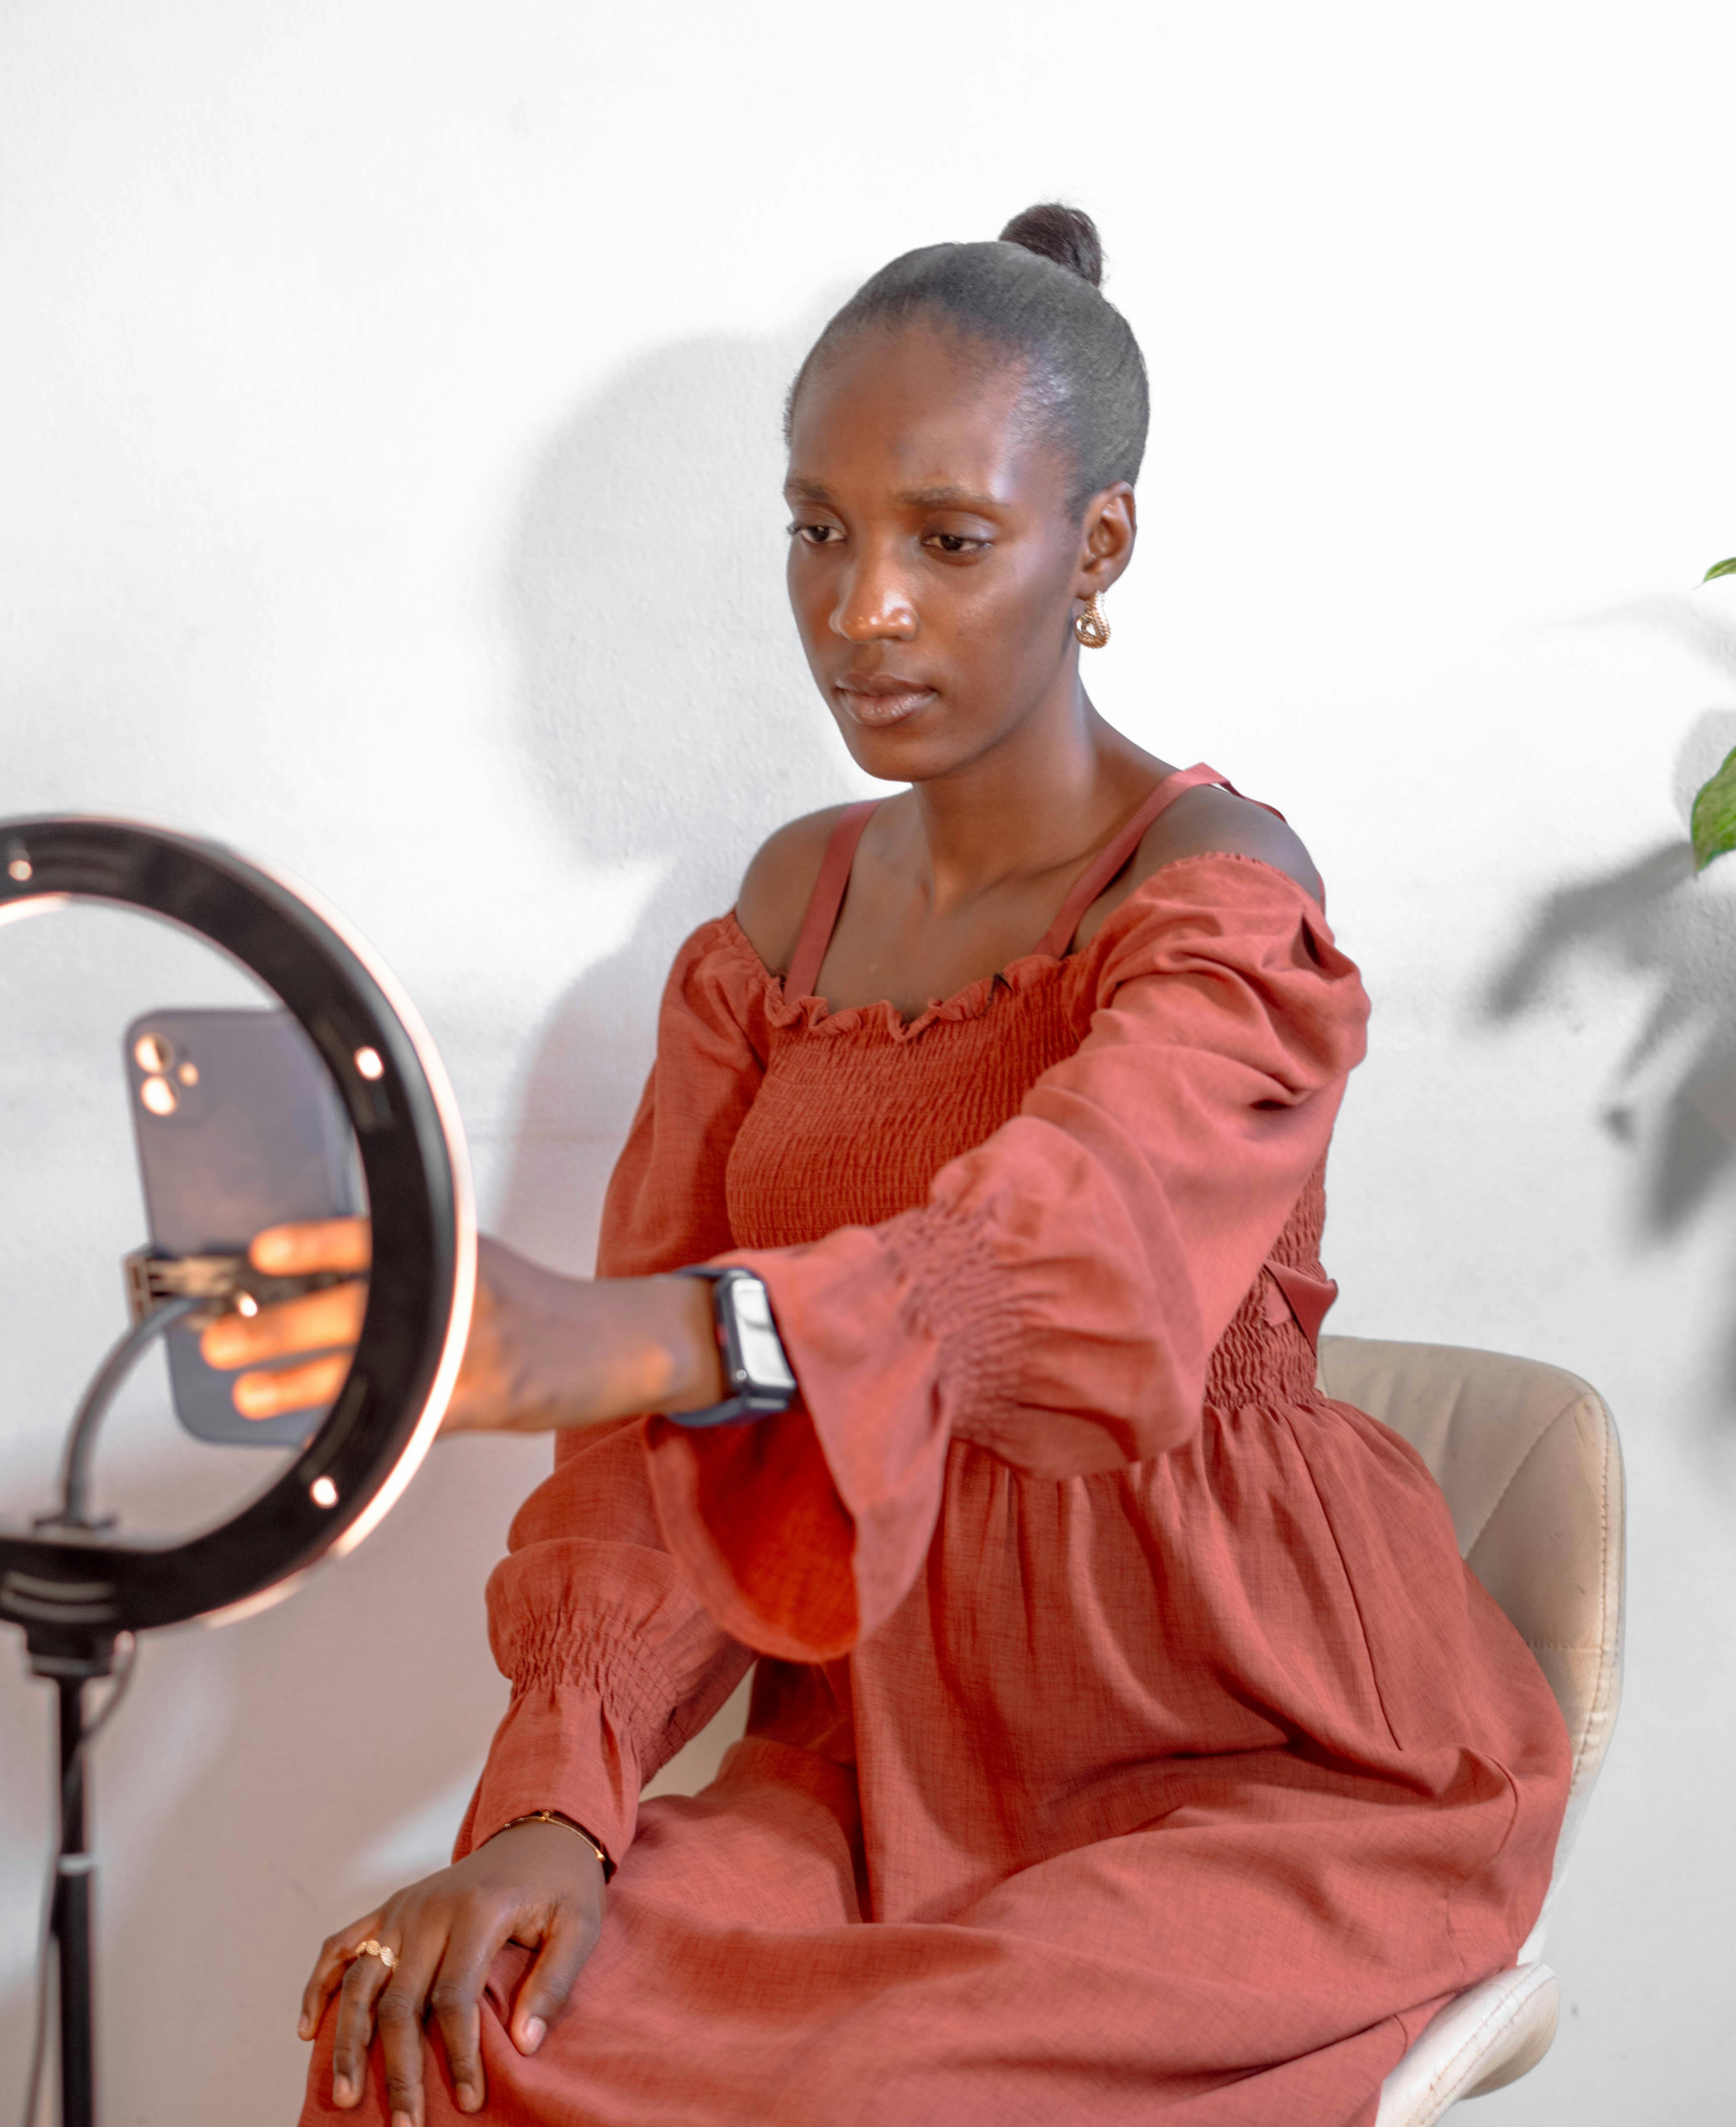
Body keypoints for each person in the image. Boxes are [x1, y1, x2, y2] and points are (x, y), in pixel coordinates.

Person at [219, 203, 1570, 2127]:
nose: (865, 607)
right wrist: (556, 1806)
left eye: (948, 541)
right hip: (874, 1756)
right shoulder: (780, 920)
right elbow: (649, 1471)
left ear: (1096, 546)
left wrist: (648, 1335)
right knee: (443, 2044)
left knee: (885, 2092)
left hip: (1257, 1765)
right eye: (818, 529)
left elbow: (1076, 1252)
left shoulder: (1222, 898)